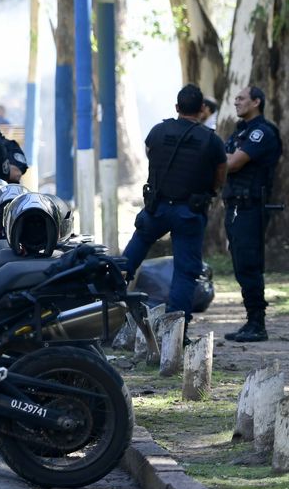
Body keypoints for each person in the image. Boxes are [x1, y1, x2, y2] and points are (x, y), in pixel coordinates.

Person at [120, 83, 226, 323]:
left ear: (177, 107)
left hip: (155, 208)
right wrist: (210, 189)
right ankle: (175, 330)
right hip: (189, 211)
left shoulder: (158, 131)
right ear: (201, 109)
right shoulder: (211, 141)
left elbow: (150, 153)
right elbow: (221, 173)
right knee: (185, 272)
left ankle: (106, 306)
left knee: (127, 262)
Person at [222, 85, 283, 342]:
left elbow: (233, 163)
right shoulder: (241, 131)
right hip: (235, 206)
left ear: (256, 102)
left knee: (249, 265)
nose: (236, 102)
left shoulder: (261, 132)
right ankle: (251, 321)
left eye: (241, 98)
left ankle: (258, 323)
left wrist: (216, 160)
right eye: (235, 98)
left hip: (251, 207)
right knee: (240, 266)